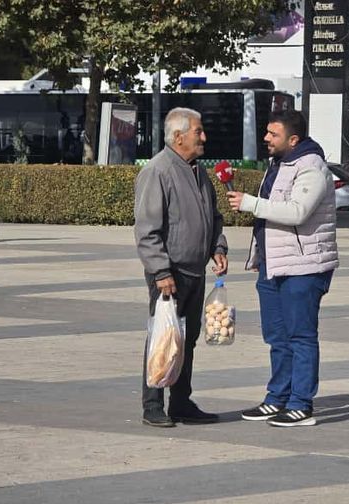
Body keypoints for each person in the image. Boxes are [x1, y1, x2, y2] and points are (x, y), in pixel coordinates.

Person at [226, 110, 338, 427]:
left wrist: (250, 203)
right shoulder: (279, 165)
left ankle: (301, 403)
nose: (266, 138)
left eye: (273, 134)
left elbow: (297, 212)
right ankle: (278, 398)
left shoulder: (312, 167)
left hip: (304, 267)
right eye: (266, 132)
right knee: (277, 336)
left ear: (293, 139)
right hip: (273, 264)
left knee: (301, 336)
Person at [134, 107, 228, 428]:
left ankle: (181, 401)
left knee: (187, 339)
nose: (204, 137)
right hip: (169, 273)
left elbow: (213, 217)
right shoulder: (158, 171)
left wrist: (218, 246)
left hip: (195, 271)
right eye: (198, 132)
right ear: (178, 137)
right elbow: (147, 228)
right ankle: (152, 404)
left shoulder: (199, 172)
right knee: (163, 337)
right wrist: (160, 271)